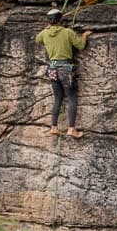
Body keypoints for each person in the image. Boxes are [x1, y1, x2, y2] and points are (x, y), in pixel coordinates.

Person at [35, 8, 91, 137]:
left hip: (52, 68)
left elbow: (37, 39)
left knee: (58, 98)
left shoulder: (44, 33)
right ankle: (71, 129)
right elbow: (81, 46)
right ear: (61, 19)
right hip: (65, 68)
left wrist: (47, 28)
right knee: (71, 98)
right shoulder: (67, 32)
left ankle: (53, 127)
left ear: (49, 21)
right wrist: (84, 35)